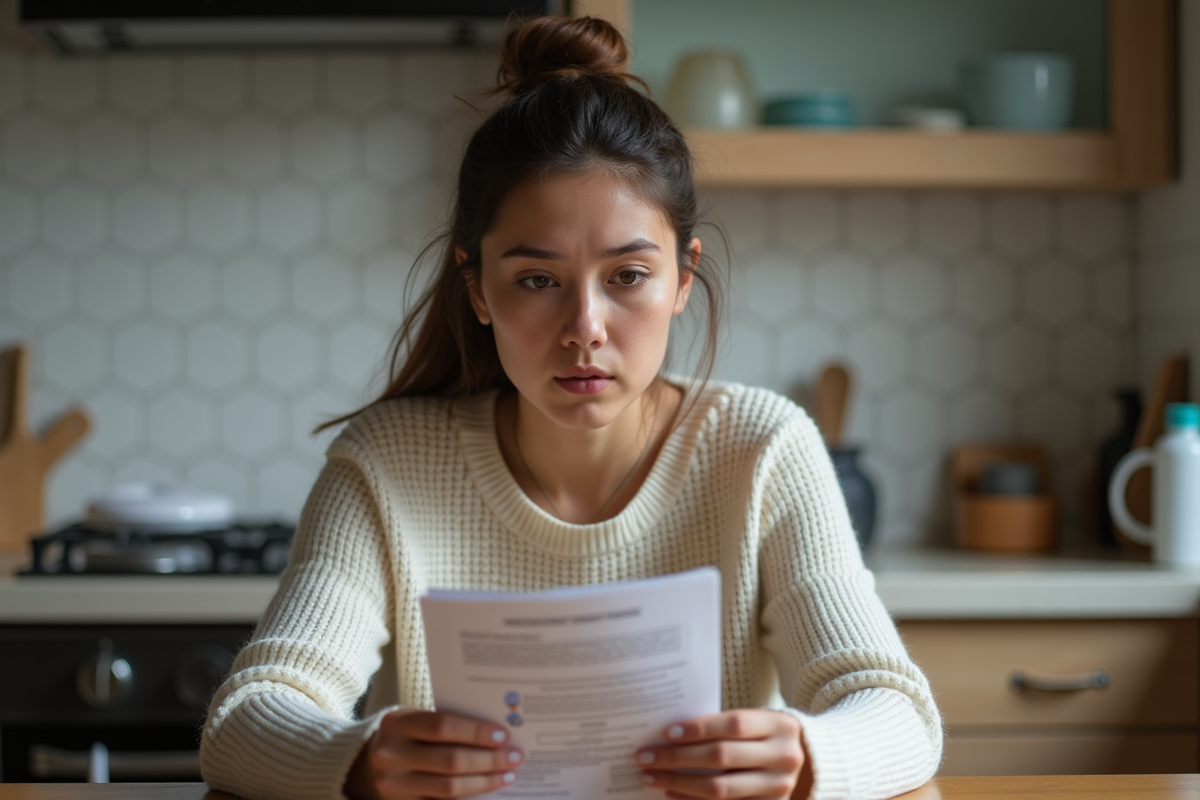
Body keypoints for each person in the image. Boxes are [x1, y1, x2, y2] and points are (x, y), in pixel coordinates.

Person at [199, 14, 942, 800]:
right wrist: (356, 760)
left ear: (683, 278)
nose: (584, 328)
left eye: (628, 276)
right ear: (477, 286)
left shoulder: (763, 448)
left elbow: (899, 714)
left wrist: (808, 757)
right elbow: (244, 720)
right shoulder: (387, 462)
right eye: (536, 280)